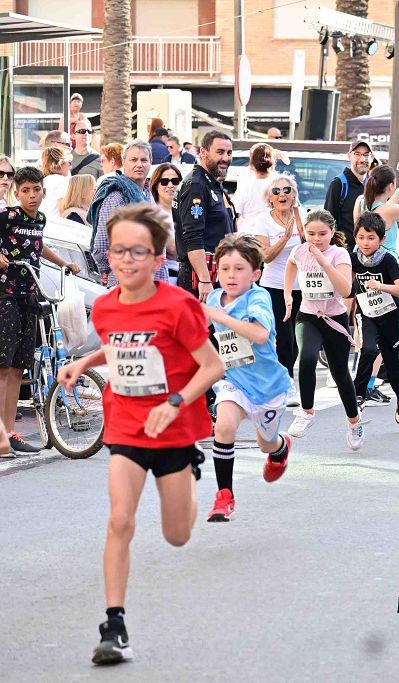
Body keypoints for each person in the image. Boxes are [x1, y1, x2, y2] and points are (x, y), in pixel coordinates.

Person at [56, 204, 222, 665]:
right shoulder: (107, 306)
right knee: (120, 520)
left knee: (177, 536)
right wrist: (83, 363)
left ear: (156, 256)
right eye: (118, 251)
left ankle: (191, 471)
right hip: (127, 425)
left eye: (138, 251)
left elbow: (212, 366)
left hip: (174, 430)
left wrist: (174, 404)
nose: (126, 260)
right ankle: (115, 626)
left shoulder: (178, 305)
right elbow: (115, 348)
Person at [202, 234, 294, 522]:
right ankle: (224, 496)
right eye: (225, 268)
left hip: (268, 389)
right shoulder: (215, 297)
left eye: (239, 269)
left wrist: (218, 316)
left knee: (266, 443)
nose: (231, 275)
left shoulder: (258, 297)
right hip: (234, 382)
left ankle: (280, 448)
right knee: (224, 427)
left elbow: (259, 334)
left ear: (255, 274)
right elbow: (197, 324)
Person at [0, 167, 82, 454]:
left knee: (17, 367)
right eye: (25, 191)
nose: (32, 196)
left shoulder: (41, 219)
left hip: (29, 295)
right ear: (17, 193)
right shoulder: (8, 217)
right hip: (6, 296)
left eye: (36, 190)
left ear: (43, 192)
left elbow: (39, 246)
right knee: (3, 366)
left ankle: (10, 431)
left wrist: (64, 263)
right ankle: (1, 432)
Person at [282, 210, 363, 448]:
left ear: (332, 232)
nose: (316, 239)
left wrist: (324, 262)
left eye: (322, 234)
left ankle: (354, 422)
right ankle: (306, 412)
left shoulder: (340, 254)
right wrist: (288, 294)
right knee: (306, 358)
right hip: (308, 315)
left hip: (334, 318)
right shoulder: (299, 250)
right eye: (311, 234)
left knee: (340, 373)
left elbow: (346, 290)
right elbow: (290, 264)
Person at [350, 211, 399, 422]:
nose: (365, 243)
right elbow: (347, 287)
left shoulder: (387, 260)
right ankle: (358, 396)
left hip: (390, 317)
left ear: (382, 239)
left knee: (391, 363)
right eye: (361, 238)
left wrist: (381, 286)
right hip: (367, 314)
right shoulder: (353, 259)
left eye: (371, 238)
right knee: (367, 350)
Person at [243, 174, 303, 377]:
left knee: (298, 339)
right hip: (275, 287)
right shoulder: (263, 221)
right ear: (270, 198)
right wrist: (285, 238)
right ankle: (286, 382)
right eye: (276, 192)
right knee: (285, 338)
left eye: (287, 190)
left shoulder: (302, 216)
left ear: (294, 194)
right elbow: (266, 256)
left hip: (301, 288)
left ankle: (284, 377)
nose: (282, 195)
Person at [173, 131, 236, 301]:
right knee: (201, 328)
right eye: (220, 152)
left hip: (217, 274)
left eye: (229, 153)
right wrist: (204, 279)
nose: (225, 158)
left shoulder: (211, 183)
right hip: (201, 278)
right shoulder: (196, 185)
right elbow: (192, 236)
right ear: (203, 152)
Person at [90, 140, 162, 286]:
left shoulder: (148, 194)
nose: (139, 164)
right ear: (124, 162)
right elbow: (102, 242)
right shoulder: (116, 196)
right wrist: (105, 270)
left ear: (151, 162)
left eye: (144, 160)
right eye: (133, 160)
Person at [325, 141, 374, 250]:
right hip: (346, 253)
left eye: (366, 155)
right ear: (349, 156)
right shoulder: (339, 184)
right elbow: (328, 221)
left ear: (372, 157)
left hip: (370, 254)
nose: (362, 159)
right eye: (357, 154)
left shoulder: (374, 184)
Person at [232, 143, 277, 232]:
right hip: (274, 235)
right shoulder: (280, 184)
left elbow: (234, 212)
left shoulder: (245, 184)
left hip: (248, 237)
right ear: (272, 163)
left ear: (252, 163)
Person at [40, 146, 71, 217]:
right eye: (69, 162)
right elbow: (62, 209)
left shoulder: (44, 180)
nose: (70, 166)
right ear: (60, 163)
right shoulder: (61, 181)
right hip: (57, 224)